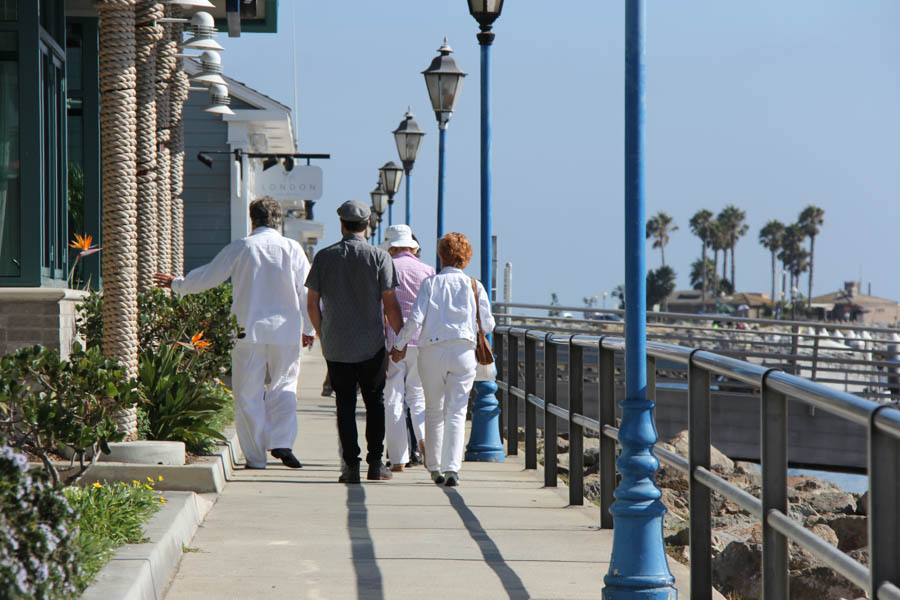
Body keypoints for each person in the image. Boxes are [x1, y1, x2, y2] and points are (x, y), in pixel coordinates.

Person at [153, 198, 315, 470]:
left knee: (248, 393)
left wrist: (178, 284)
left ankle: (255, 458)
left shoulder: (243, 246)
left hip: (247, 330)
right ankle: (282, 441)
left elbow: (210, 276)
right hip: (286, 330)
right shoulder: (292, 248)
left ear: (253, 219)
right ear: (277, 220)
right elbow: (307, 291)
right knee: (285, 386)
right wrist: (309, 328)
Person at [305, 200, 404, 484]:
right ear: (367, 225)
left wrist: (323, 332)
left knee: (345, 405)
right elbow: (391, 304)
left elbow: (312, 303)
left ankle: (351, 466)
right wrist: (400, 339)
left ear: (342, 224)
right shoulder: (379, 257)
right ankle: (376, 464)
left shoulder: (325, 257)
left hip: (337, 344)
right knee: (375, 402)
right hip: (372, 344)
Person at [390, 233, 495, 487]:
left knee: (434, 410)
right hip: (463, 351)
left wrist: (399, 345)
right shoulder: (474, 285)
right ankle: (452, 469)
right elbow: (489, 323)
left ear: (441, 256)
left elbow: (415, 319)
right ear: (467, 258)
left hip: (432, 351)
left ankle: (434, 467)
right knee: (457, 412)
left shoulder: (431, 283)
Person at [379, 225, 434, 472]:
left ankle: (398, 457)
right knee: (417, 395)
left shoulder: (386, 267)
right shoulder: (427, 270)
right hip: (422, 341)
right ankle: (423, 438)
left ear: (391, 246)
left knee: (393, 398)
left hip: (393, 341)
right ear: (412, 247)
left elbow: (382, 307)